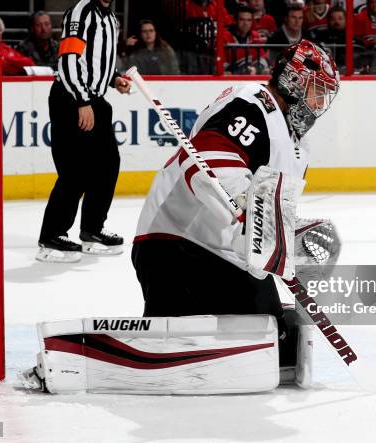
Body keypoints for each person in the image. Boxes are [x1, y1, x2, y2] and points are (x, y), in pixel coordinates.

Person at [132, 39, 339, 340]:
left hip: (227, 255)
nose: (319, 106)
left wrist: (284, 243)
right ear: (294, 81)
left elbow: (274, 213)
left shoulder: (299, 147)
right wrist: (247, 209)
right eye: (315, 93)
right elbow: (205, 158)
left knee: (271, 336)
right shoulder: (253, 102)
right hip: (175, 240)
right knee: (178, 338)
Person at [36, 0, 132, 263]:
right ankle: (52, 236)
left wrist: (114, 79)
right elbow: (68, 60)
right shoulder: (81, 12)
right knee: (74, 170)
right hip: (72, 99)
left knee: (107, 164)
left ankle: (92, 229)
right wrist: (82, 101)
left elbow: (95, 62)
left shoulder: (110, 18)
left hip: (94, 100)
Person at [221, 5, 269, 74]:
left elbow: (263, 59)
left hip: (252, 78)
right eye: (242, 19)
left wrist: (255, 69)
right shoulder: (224, 37)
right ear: (235, 21)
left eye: (249, 20)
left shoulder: (255, 36)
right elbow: (221, 65)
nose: (245, 23)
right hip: (232, 79)